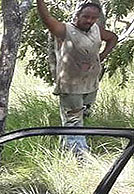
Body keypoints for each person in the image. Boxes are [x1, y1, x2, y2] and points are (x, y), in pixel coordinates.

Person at [37, 0, 118, 153]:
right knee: (73, 121)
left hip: (91, 84)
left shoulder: (96, 29)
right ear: (77, 15)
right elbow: (46, 18)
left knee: (83, 116)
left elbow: (113, 37)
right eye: (86, 16)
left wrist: (102, 56)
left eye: (93, 18)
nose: (89, 20)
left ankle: (67, 147)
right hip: (71, 86)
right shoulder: (64, 30)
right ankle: (80, 155)